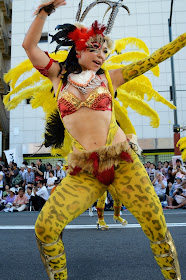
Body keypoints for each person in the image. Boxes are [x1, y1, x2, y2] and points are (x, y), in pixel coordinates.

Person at [4, 0, 186, 279]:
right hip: (84, 172)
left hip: (124, 164)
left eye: (104, 50)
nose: (101, 54)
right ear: (77, 48)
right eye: (94, 48)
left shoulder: (110, 78)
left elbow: (154, 60)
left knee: (158, 230)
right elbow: (29, 47)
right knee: (44, 229)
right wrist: (44, 11)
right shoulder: (57, 76)